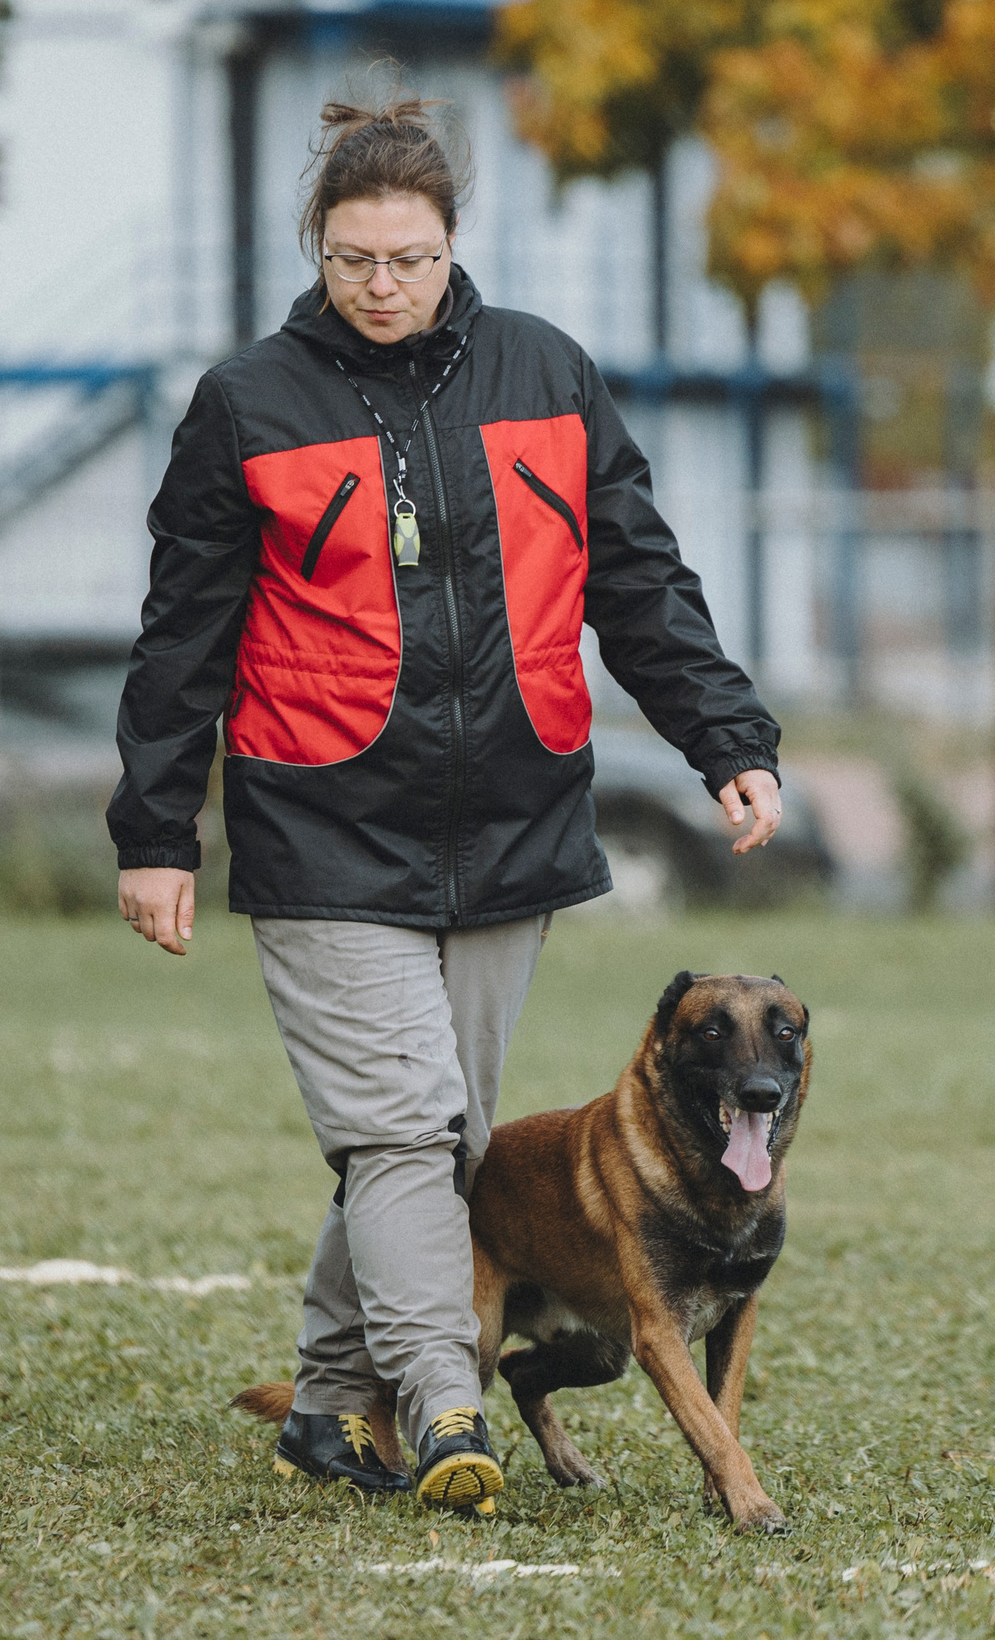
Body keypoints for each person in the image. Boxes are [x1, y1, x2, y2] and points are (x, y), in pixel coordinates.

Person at [108, 93, 783, 1511]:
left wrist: (727, 736)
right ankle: (444, 1407)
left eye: (407, 259)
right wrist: (157, 834)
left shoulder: (547, 371)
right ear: (317, 248)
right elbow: (183, 635)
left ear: (452, 243)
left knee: (440, 1143)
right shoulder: (248, 403)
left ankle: (328, 1399)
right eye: (353, 260)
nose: (381, 287)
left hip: (511, 826)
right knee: (404, 1128)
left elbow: (637, 582)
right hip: (319, 826)